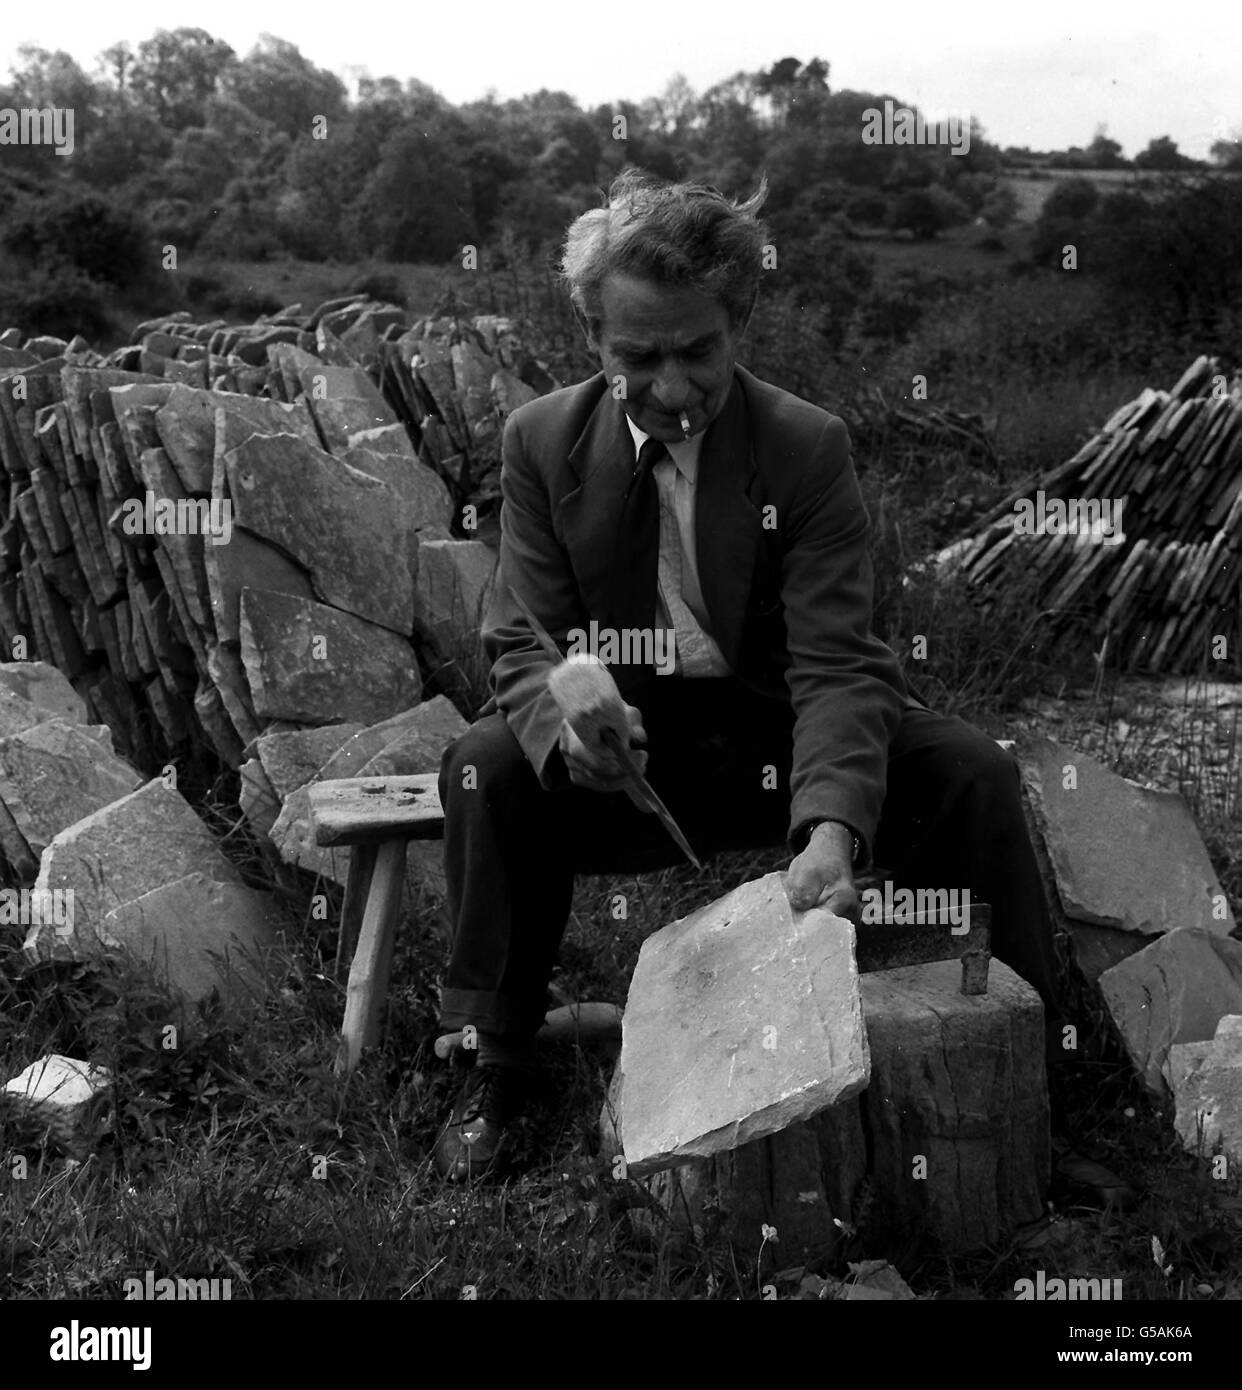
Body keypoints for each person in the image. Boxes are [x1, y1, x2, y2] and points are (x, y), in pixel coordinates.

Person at [431, 168, 1078, 1189]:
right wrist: (565, 704)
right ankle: (498, 1062)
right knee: (484, 766)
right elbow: (519, 636)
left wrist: (832, 828)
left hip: (779, 730)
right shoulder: (539, 441)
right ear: (594, 336)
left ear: (739, 323)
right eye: (636, 358)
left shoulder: (806, 446)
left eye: (698, 352)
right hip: (636, 750)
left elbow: (839, 663)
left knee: (969, 771)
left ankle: (1046, 1070)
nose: (672, 387)